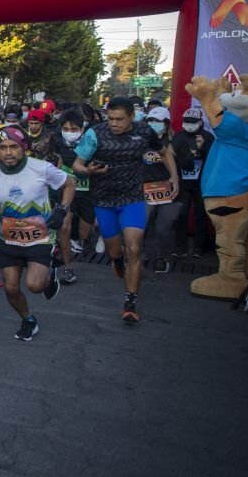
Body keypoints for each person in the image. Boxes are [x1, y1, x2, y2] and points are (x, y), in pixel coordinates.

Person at [74, 96, 178, 323]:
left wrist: (174, 177)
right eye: (110, 118)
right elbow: (77, 165)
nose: (114, 123)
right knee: (115, 252)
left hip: (133, 198)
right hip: (104, 200)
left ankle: (130, 302)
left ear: (132, 117)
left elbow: (164, 152)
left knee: (134, 248)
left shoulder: (144, 132)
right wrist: (89, 171)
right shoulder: (95, 133)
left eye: (119, 119)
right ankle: (116, 261)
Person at [0, 127, 71, 341]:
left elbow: (69, 184)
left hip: (39, 237)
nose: (8, 152)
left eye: (14, 147)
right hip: (7, 239)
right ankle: (28, 320)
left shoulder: (41, 168)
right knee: (11, 287)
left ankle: (50, 272)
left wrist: (62, 210)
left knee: (35, 286)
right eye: (3, 147)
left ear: (24, 147)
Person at [49, 110, 96, 282]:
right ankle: (68, 268)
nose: (69, 132)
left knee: (84, 233)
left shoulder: (91, 142)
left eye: (74, 129)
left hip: (88, 192)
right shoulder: (57, 141)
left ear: (82, 129)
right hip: (67, 191)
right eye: (66, 129)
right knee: (64, 228)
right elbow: (60, 162)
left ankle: (86, 238)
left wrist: (90, 171)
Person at [141, 107, 184, 275]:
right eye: (150, 120)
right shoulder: (141, 140)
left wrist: (176, 157)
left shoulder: (175, 141)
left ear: (166, 124)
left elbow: (188, 164)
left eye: (157, 121)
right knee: (140, 224)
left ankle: (162, 258)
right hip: (145, 189)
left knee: (163, 228)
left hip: (169, 191)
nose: (153, 124)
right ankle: (139, 255)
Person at [171, 107, 213, 258]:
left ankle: (198, 248)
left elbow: (212, 159)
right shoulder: (178, 137)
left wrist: (200, 150)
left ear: (200, 122)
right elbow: (174, 158)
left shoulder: (208, 137)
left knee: (200, 215)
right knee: (181, 214)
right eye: (187, 121)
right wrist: (192, 154)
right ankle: (179, 248)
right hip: (183, 183)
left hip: (201, 183)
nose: (189, 124)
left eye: (192, 122)